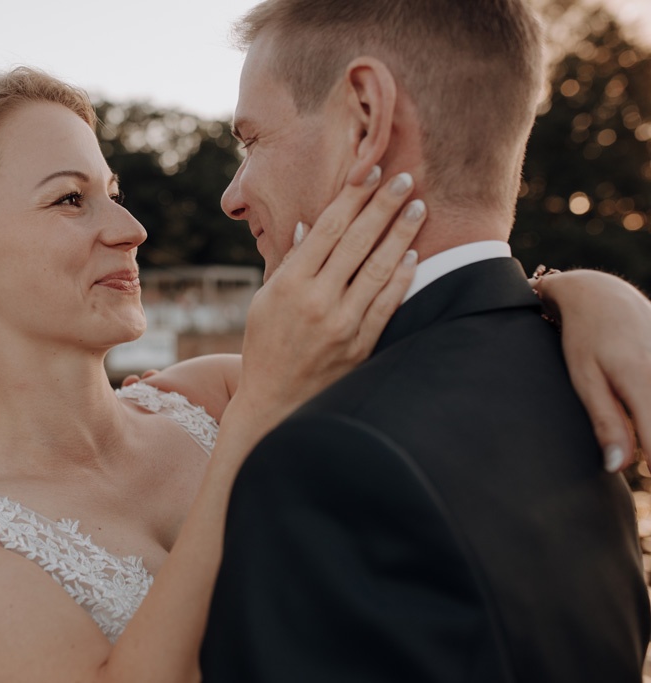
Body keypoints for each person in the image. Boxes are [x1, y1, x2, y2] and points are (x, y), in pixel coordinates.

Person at [0, 66, 651, 682]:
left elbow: (450, 350)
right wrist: (265, 407)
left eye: (113, 192)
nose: (130, 230)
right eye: (70, 200)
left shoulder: (212, 392)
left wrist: (585, 296)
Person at [200, 1, 651, 681]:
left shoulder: (327, 460)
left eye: (252, 140)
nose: (234, 196)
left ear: (365, 118)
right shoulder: (581, 375)